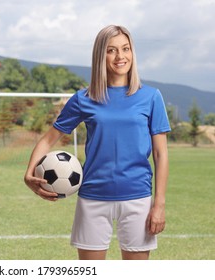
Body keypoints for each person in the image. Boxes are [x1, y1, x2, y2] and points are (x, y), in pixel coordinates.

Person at [24, 25, 171, 260]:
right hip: (92, 197)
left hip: (137, 197)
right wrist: (29, 173)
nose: (120, 56)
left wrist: (159, 204)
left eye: (126, 49)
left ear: (133, 52)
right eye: (111, 50)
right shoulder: (84, 98)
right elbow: (48, 138)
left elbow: (161, 155)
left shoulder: (151, 97)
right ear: (100, 55)